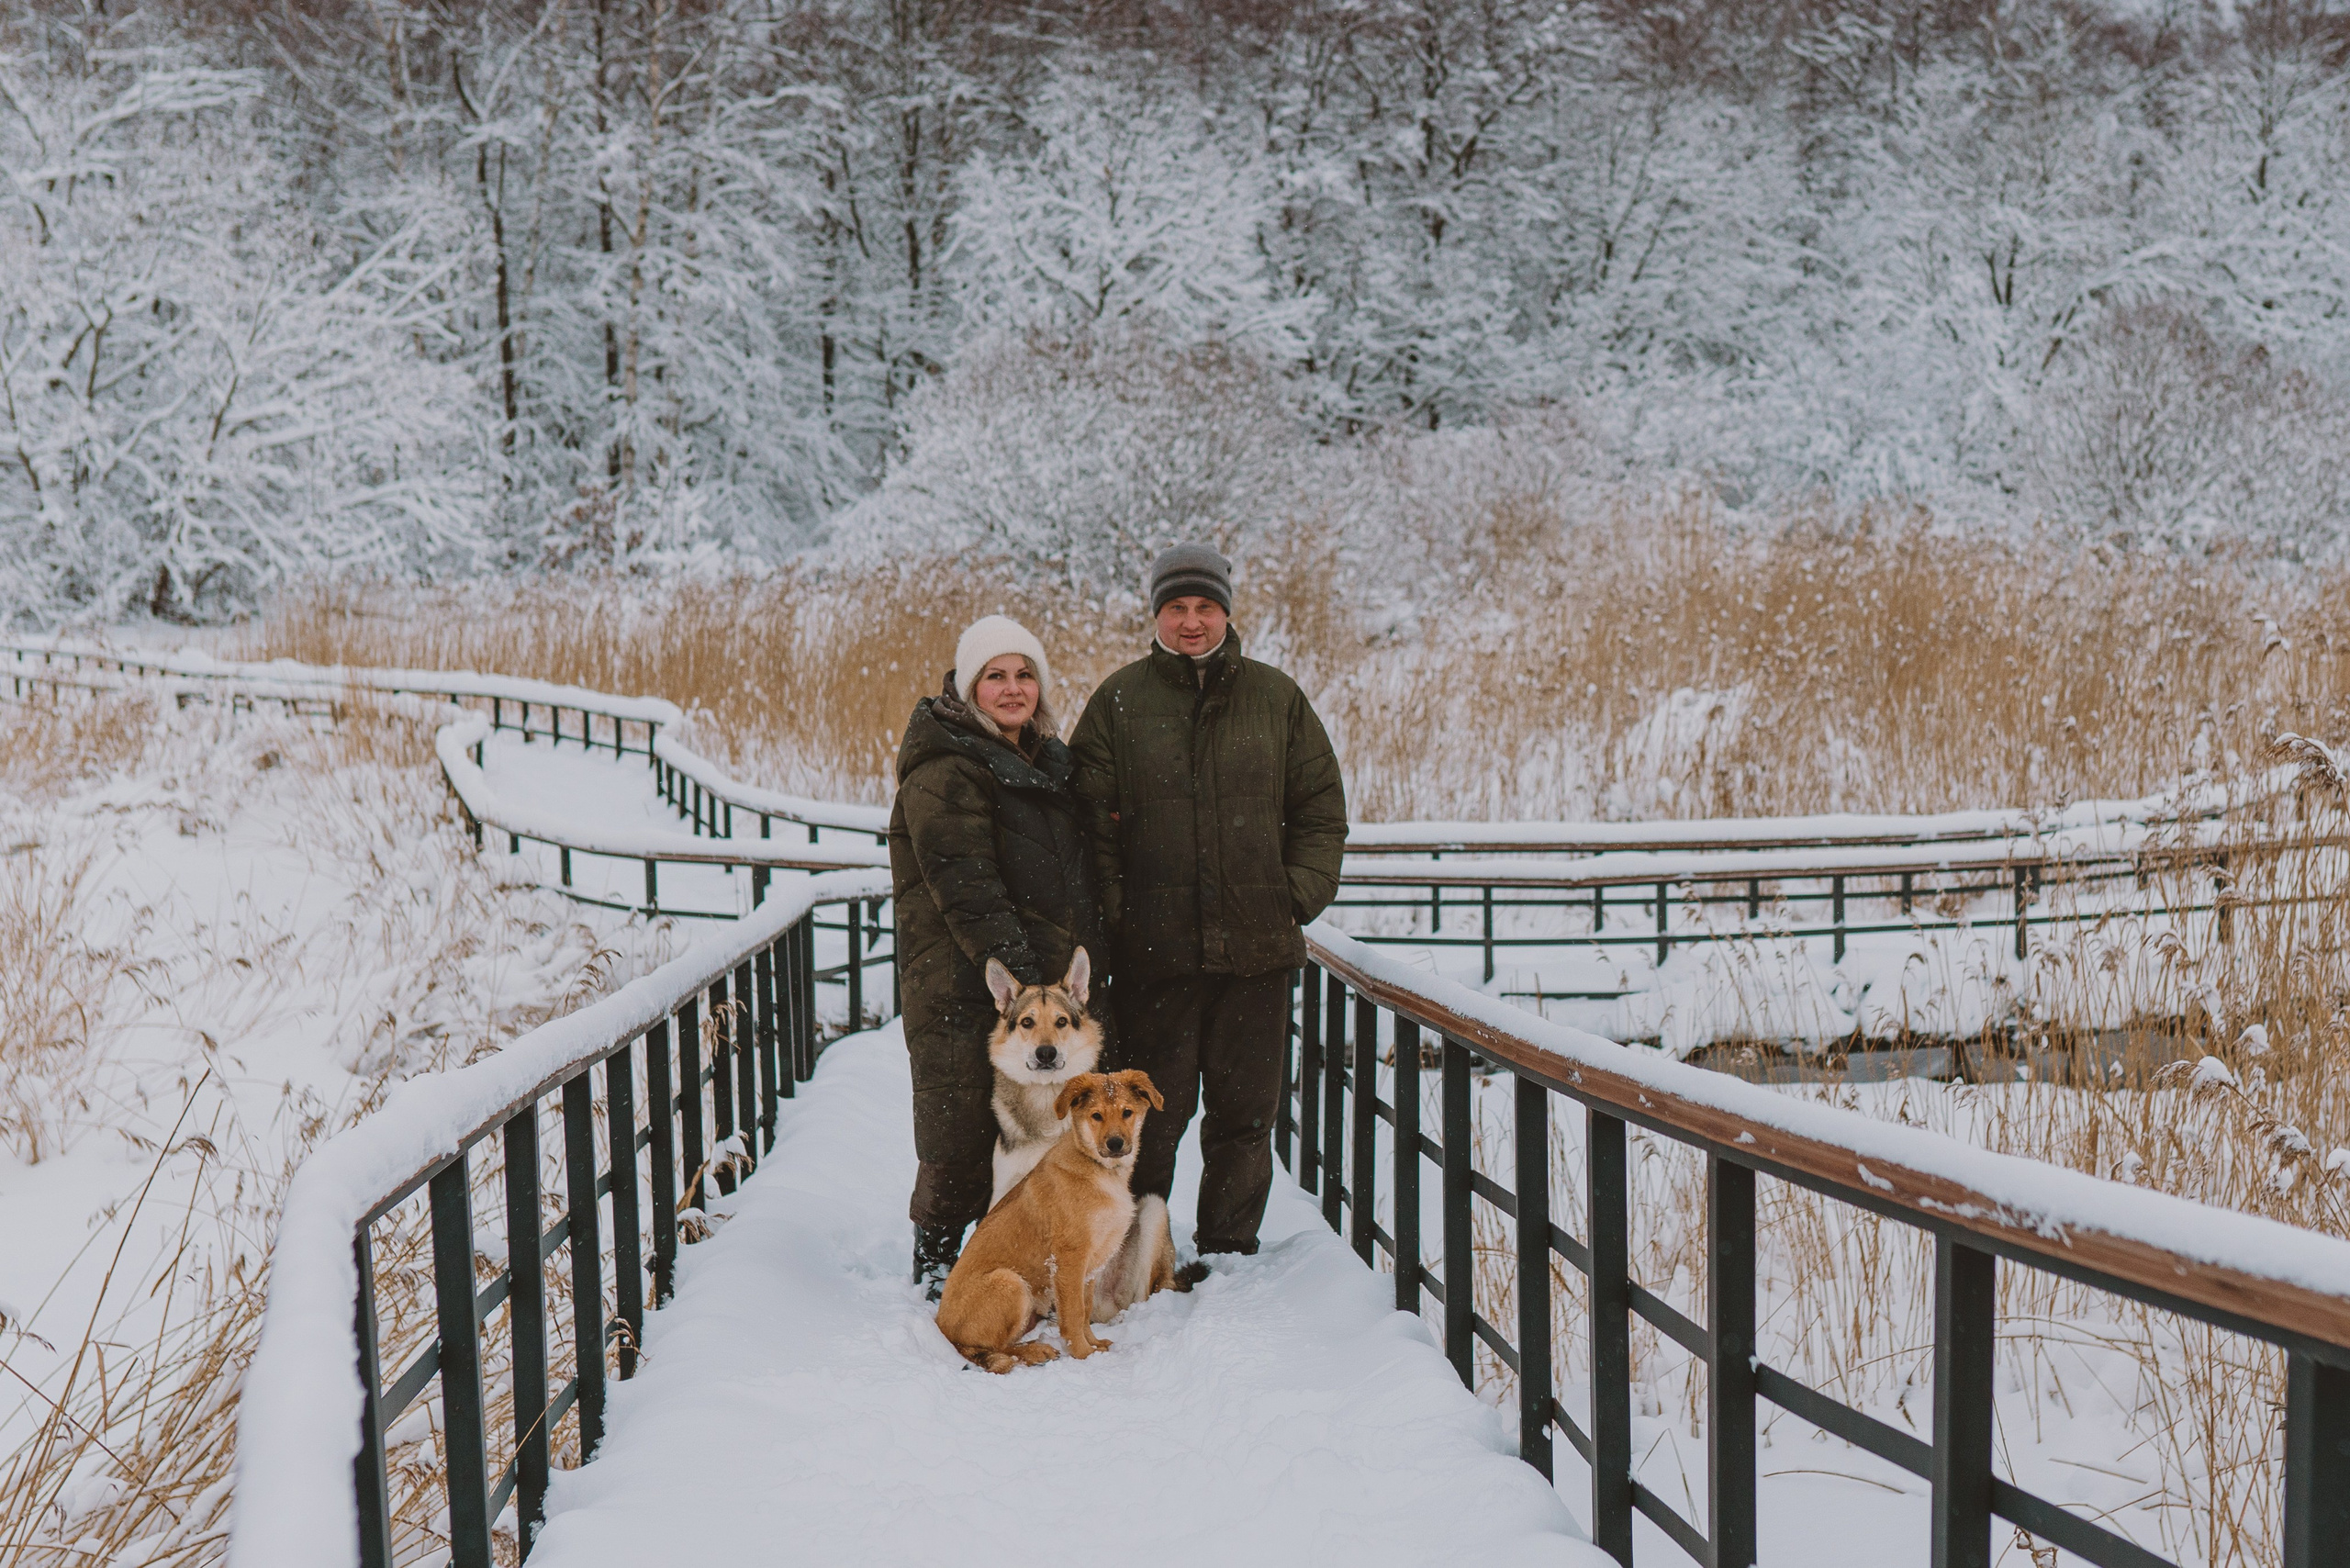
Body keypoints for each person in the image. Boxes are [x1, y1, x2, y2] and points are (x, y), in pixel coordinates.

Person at [1069, 544, 1348, 1260]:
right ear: (1156, 614)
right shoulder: (1119, 702)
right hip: (1154, 957)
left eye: (1205, 607)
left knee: (1245, 1116)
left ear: (1226, 611)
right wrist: (1121, 915)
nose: (1191, 622)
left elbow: (1320, 809)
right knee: (1149, 1114)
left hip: (1257, 952)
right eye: (1176, 607)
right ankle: (1137, 1248)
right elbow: (1086, 825)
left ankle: (1228, 1247)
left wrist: (1295, 895)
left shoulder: (1276, 699)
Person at [889, 615, 1109, 1297]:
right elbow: (968, 887)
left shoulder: (1044, 761)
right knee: (958, 1125)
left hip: (1027, 988)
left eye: (1024, 675)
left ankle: (1029, 1253)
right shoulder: (946, 767)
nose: (1012, 689)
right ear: (968, 687)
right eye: (995, 676)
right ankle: (938, 1259)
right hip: (965, 981)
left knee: (1039, 1125)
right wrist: (1029, 990)